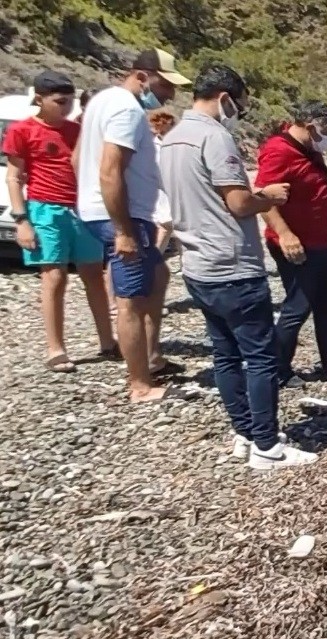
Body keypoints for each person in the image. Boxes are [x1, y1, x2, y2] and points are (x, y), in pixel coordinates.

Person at [159, 63, 318, 470]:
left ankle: (246, 433)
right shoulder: (215, 137)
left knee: (225, 354)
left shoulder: (173, 137)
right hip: (232, 264)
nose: (239, 115)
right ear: (225, 99)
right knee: (260, 356)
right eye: (241, 108)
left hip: (197, 263)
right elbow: (238, 203)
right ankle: (266, 446)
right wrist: (269, 197)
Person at [76, 48, 190, 402]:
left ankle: (151, 357)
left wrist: (85, 199)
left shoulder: (100, 100)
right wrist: (123, 229)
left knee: (158, 276)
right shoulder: (126, 108)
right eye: (164, 84)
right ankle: (139, 384)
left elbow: (77, 156)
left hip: (105, 210)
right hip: (123, 217)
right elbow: (110, 168)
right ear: (142, 76)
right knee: (131, 300)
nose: (169, 94)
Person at [2, 70, 116, 371]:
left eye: (69, 102)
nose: (66, 108)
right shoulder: (22, 130)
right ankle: (55, 348)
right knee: (54, 277)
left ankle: (107, 340)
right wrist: (22, 220)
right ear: (39, 99)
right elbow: (13, 176)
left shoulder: (76, 130)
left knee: (94, 274)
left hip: (81, 209)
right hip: (45, 209)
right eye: (60, 102)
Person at [254, 101, 327, 388]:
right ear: (312, 127)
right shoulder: (279, 151)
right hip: (295, 245)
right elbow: (264, 198)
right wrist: (286, 234)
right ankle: (276, 368)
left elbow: (319, 186)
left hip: (319, 242)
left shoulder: (310, 151)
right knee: (298, 306)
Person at [147, 109, 176, 253]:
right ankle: (153, 261)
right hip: (163, 191)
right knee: (166, 227)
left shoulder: (170, 143)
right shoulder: (155, 147)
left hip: (169, 190)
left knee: (171, 228)